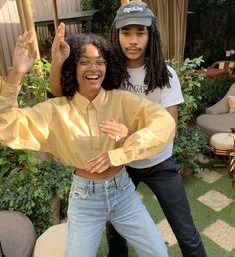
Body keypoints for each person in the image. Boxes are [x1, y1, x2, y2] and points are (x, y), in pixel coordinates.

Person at [50, 2, 207, 257]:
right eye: (126, 33)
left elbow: (170, 129)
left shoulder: (165, 75)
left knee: (185, 230)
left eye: (140, 33)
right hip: (122, 168)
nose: (133, 40)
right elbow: (63, 95)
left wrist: (130, 135)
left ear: (151, 35)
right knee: (115, 232)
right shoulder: (108, 73)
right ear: (117, 35)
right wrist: (57, 62)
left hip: (160, 164)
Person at [0, 30, 175, 257]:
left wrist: (120, 152)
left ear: (108, 67)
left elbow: (165, 124)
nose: (94, 68)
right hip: (84, 200)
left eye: (100, 62)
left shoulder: (121, 101)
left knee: (158, 253)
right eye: (84, 62)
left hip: (123, 192)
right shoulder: (56, 111)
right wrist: (17, 73)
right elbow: (7, 127)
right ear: (72, 67)